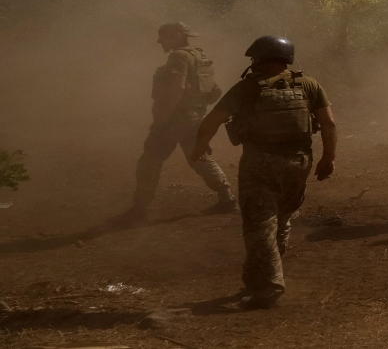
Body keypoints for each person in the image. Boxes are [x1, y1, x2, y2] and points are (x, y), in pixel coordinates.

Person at [191, 35, 338, 310]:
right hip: (298, 162)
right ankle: (257, 278)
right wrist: (328, 159)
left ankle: (269, 287)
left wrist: (201, 145)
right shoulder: (308, 84)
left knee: (259, 226)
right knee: (281, 220)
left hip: (260, 163)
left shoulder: (247, 88)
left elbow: (213, 119)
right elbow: (328, 124)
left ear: (259, 58)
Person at [123, 22, 235, 222]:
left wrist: (162, 118)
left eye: (163, 36)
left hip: (175, 120)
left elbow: (177, 88)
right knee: (199, 157)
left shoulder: (178, 56)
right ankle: (227, 198)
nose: (160, 41)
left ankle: (140, 208)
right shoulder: (200, 55)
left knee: (150, 161)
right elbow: (214, 91)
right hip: (194, 118)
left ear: (176, 35)